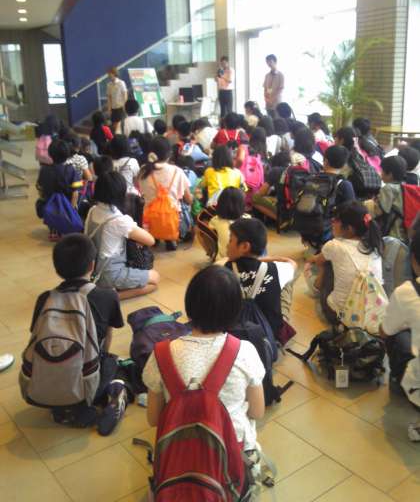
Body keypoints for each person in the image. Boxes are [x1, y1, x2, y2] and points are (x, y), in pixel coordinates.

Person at [142, 264, 265, 452]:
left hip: (179, 454)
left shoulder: (161, 354)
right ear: (235, 311)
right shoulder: (245, 352)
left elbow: (153, 419)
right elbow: (257, 412)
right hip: (233, 453)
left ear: (189, 305)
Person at [30, 234, 131, 434]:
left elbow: (36, 335)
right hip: (88, 383)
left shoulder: (44, 299)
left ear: (57, 269)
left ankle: (63, 406)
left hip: (45, 383)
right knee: (116, 363)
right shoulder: (107, 296)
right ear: (92, 265)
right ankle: (115, 393)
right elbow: (107, 339)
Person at [85, 172, 160, 298]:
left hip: (92, 271)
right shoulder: (118, 220)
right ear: (121, 193)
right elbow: (150, 240)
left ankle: (107, 290)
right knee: (155, 279)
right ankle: (111, 297)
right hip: (111, 274)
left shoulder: (92, 210)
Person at [308, 201, 383, 321]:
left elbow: (317, 261)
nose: (332, 221)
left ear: (349, 229)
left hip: (340, 315)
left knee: (324, 264)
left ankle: (316, 292)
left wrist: (311, 259)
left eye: (337, 220)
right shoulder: (374, 247)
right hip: (371, 315)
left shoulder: (334, 245)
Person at [225, 218, 297, 339]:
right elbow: (292, 263)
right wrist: (268, 259)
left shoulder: (223, 271)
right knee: (287, 280)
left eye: (230, 240)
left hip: (236, 338)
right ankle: (281, 321)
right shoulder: (276, 269)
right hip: (269, 338)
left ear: (245, 246)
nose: (227, 245)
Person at [380, 230, 420, 442]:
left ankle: (398, 381)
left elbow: (385, 331)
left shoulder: (407, 292)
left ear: (413, 259)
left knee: (397, 335)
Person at [138, 137, 192, 250]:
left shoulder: (143, 171)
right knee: (182, 206)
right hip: (171, 219)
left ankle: (154, 236)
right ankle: (170, 237)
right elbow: (188, 199)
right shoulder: (177, 171)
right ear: (169, 154)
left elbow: (140, 190)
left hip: (149, 219)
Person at [36, 139, 83, 241]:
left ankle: (53, 230)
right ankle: (65, 228)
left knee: (48, 204)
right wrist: (71, 209)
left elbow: (40, 188)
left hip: (50, 205)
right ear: (67, 154)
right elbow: (75, 192)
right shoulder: (70, 170)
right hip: (67, 204)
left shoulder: (44, 170)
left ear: (50, 154)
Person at [367, 155, 408, 242]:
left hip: (392, 233)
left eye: (382, 171)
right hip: (403, 232)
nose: (380, 173)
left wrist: (367, 204)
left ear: (390, 175)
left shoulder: (388, 188)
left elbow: (378, 211)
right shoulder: (404, 186)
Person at [208, 187, 249, 261]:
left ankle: (211, 254)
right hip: (247, 261)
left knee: (203, 232)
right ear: (242, 205)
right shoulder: (248, 219)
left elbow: (208, 228)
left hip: (223, 262)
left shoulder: (215, 220)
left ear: (220, 204)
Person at [252, 151, 291, 221]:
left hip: (283, 208)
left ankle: (280, 220)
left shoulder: (276, 171)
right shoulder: (295, 171)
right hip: (296, 209)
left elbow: (261, 193)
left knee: (255, 198)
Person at [106, 67, 128, 134]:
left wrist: (125, 107)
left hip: (121, 108)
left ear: (114, 73)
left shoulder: (121, 83)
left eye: (110, 74)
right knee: (114, 126)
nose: (108, 75)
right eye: (108, 74)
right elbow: (109, 97)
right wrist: (109, 109)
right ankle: (116, 138)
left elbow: (125, 95)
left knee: (121, 126)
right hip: (113, 109)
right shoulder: (109, 85)